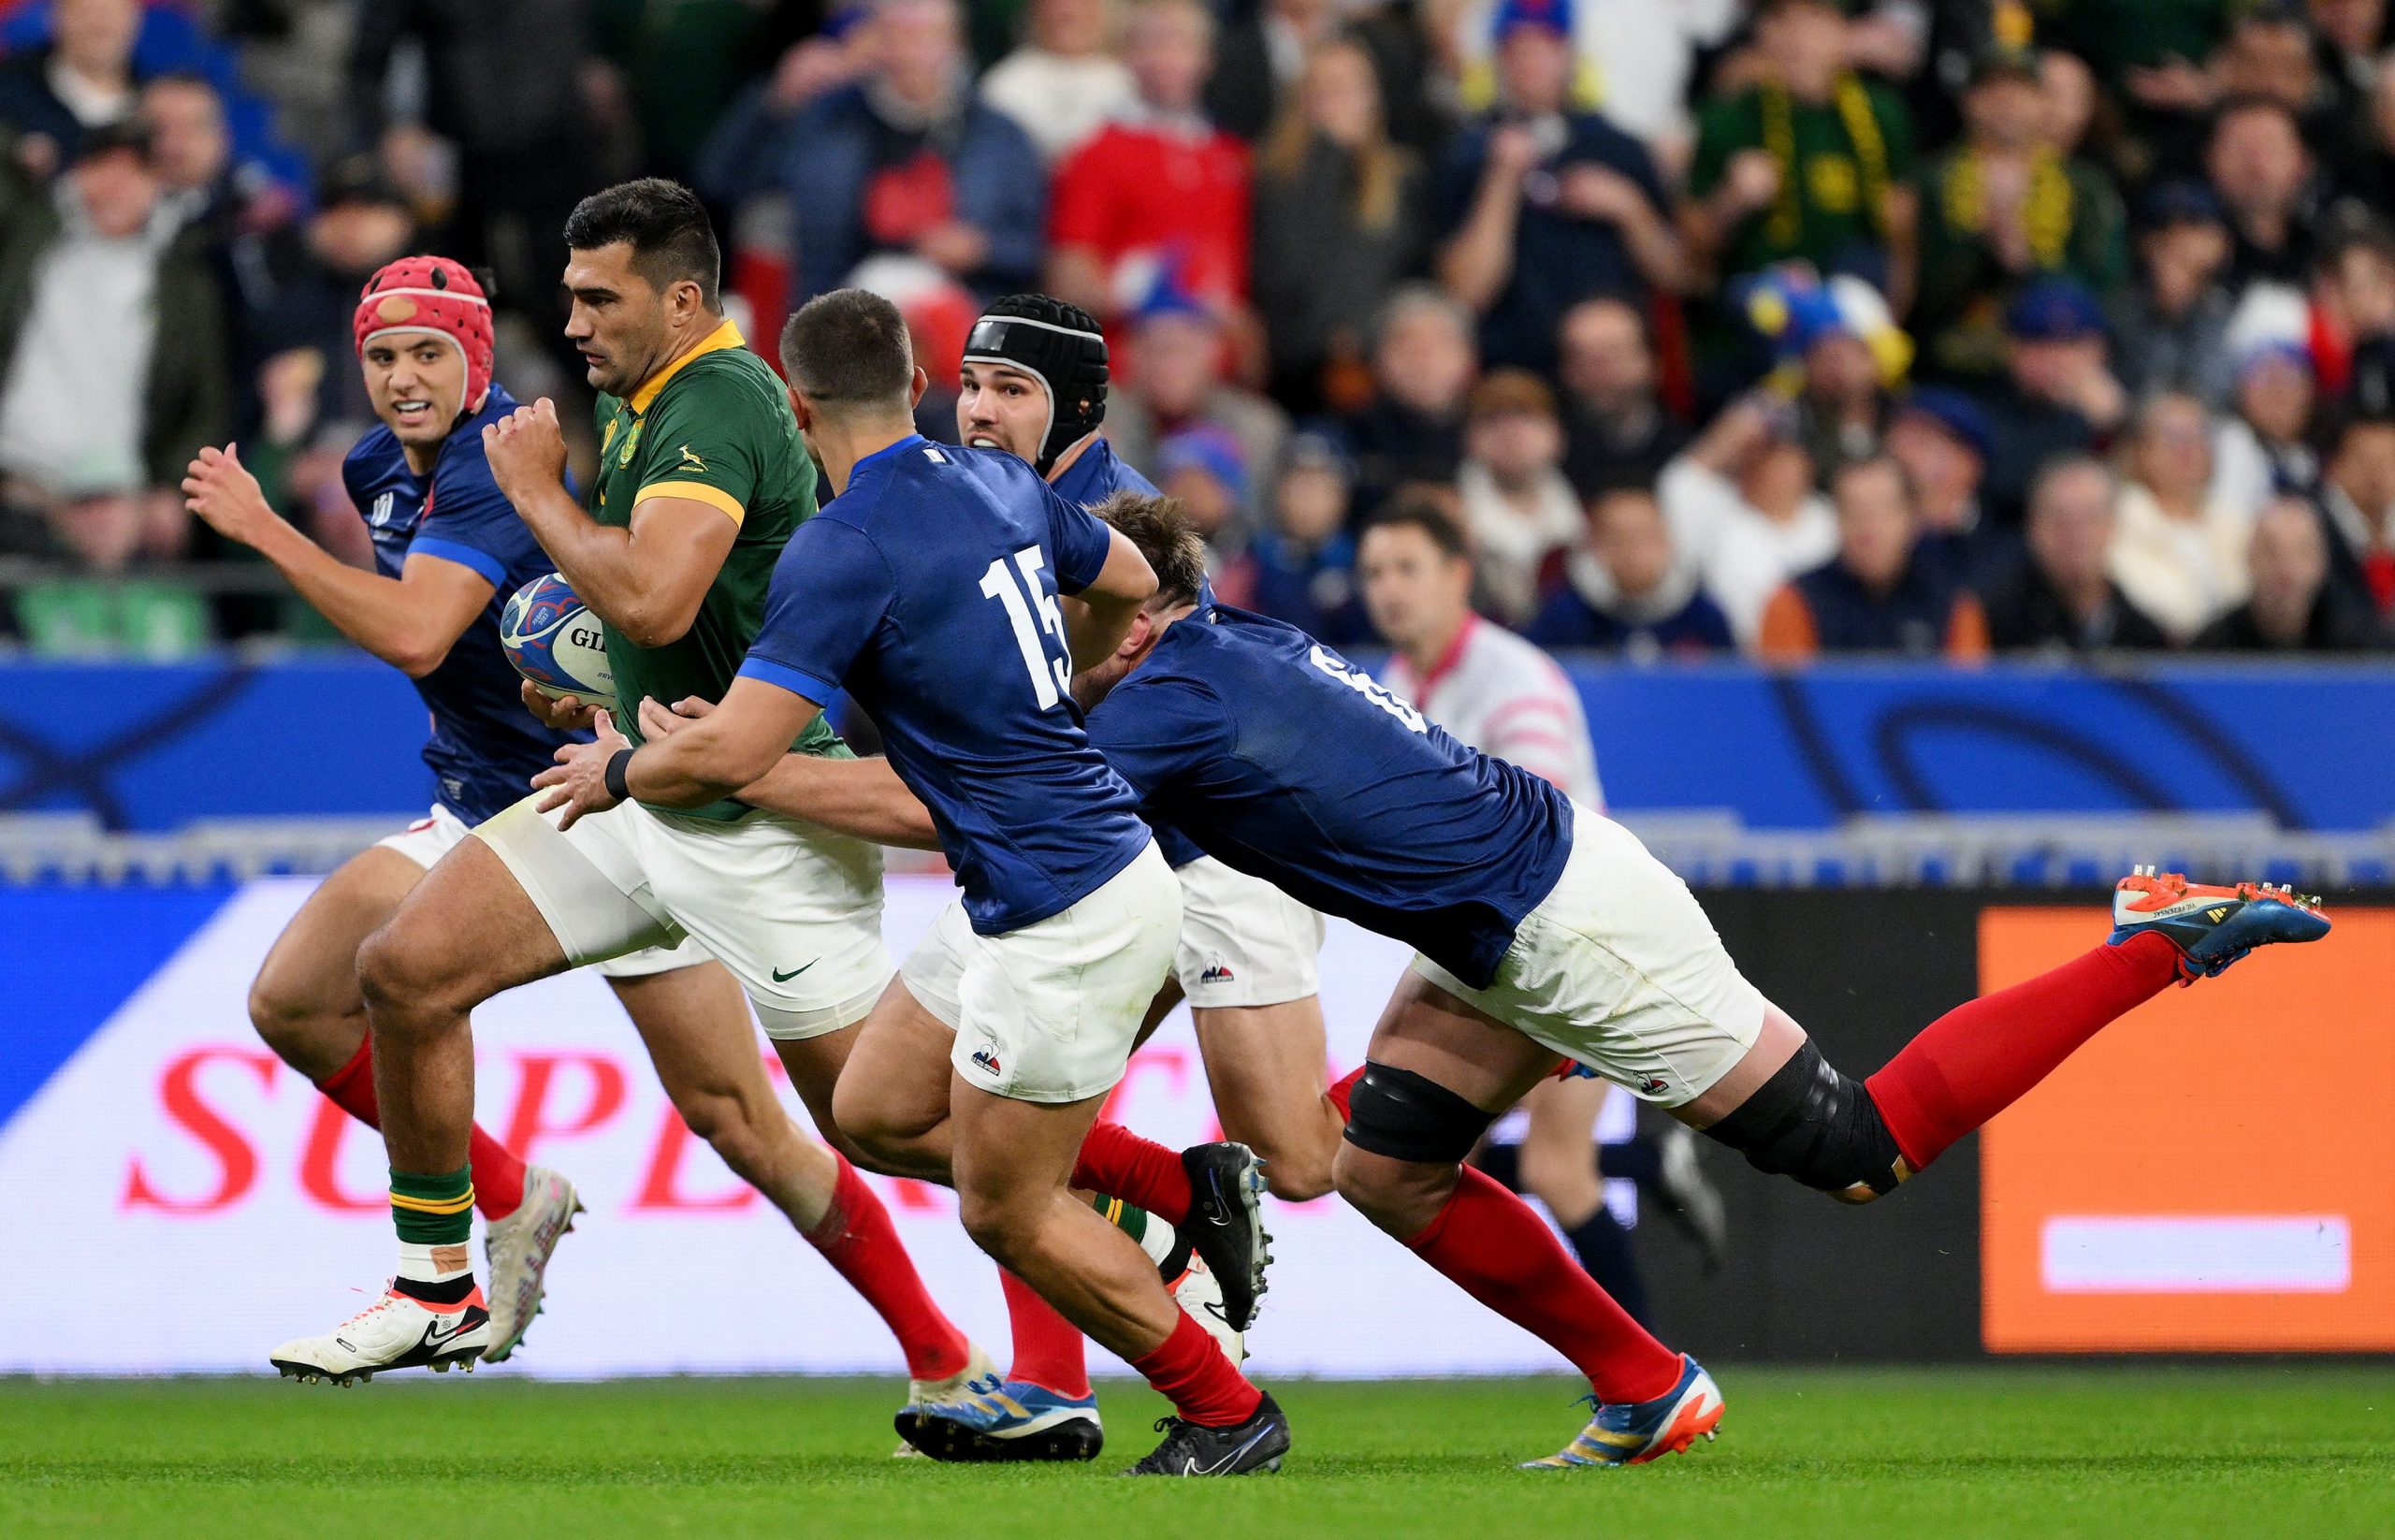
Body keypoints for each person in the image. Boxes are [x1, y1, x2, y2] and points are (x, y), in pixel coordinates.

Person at [704, 489, 2330, 1470]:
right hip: (1490, 930)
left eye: (1053, 611)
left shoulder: (1164, 704)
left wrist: (747, 765)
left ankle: (2145, 938)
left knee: (1858, 1149)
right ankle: (1643, 1383)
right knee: (1382, 1168)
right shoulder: (1224, 641)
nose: (1035, 640)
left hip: (1576, 928)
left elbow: (976, 805)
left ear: (1115, 612)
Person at [264, 186, 993, 1431]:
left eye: (428, 350)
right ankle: (457, 1252)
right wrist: (582, 676)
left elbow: (502, 618)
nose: (401, 376)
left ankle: (1027, 1283)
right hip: (572, 793)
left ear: (475, 358)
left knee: (815, 1122)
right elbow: (628, 619)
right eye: (380, 353)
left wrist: (261, 531)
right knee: (362, 979)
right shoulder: (474, 442)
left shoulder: (532, 452)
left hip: (693, 796)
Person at [540, 287, 1291, 1478]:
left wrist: (626, 762)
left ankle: (1223, 1407)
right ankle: (1175, 1186)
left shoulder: (841, 547)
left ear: (792, 406)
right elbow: (1135, 568)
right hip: (1036, 879)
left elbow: (737, 758)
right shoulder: (995, 483)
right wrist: (1076, 673)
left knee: (1006, 1207)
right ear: (922, 383)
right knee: (877, 1108)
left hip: (1071, 904)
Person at [696, 0, 1046, 306]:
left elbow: (1033, 250)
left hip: (959, 323)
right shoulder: (826, 120)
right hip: (833, 316)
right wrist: (774, 101)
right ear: (873, 42)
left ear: (956, 45)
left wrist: (979, 249)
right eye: (895, 35)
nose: (909, 53)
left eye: (925, 36)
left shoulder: (999, 136)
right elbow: (722, 181)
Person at [1436, 0, 1683, 375]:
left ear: (1570, 54)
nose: (1531, 61)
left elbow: (1678, 276)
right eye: (1517, 48)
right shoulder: (1468, 155)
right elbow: (1467, 293)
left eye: (1546, 46)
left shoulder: (1617, 148)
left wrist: (1629, 208)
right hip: (1513, 373)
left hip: (1611, 367)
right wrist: (1501, 181)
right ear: (1498, 59)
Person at [1913, 46, 2129, 382]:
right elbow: (1922, 291)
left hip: (2057, 356)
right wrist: (1981, 245)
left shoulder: (2083, 185)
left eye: (2021, 92)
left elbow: (2105, 281)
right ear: (1968, 102)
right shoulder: (1933, 182)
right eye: (1993, 91)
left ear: (2043, 104)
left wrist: (2025, 260)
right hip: (1954, 358)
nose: (2007, 104)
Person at [1684, 0, 1917, 302]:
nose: (1797, 36)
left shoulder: (1881, 115)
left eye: (1815, 19)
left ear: (1844, 32)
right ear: (1762, 33)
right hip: (1759, 304)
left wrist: (1892, 314)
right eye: (1780, 19)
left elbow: (1900, 240)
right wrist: (1731, 202)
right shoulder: (1730, 118)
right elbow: (1690, 255)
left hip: (1849, 304)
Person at [1250, 36, 1428, 414]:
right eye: (1323, 89)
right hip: (1299, 366)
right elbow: (1284, 272)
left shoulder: (1402, 178)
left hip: (1382, 359)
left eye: (1347, 88)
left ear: (1373, 98)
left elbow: (1404, 271)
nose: (1335, 101)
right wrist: (1328, 157)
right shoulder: (1275, 177)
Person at [1045, 0, 1251, 324]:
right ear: (1127, 56)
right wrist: (1148, 296)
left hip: (1217, 363)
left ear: (1207, 58)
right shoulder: (1099, 151)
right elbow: (1068, 277)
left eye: (1180, 42)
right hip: (1131, 356)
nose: (1166, 58)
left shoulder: (1231, 156)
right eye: (1151, 43)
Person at [1756, 455, 1991, 661]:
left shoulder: (1953, 604)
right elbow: (1783, 699)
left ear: (1912, 518)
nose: (1868, 527)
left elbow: (1968, 696)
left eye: (1883, 510)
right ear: (1836, 519)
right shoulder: (1795, 601)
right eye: (1854, 510)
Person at [1657, 394, 1837, 647]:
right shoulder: (1717, 511)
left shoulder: (1831, 516)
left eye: (1784, 455)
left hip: (1826, 665)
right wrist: (1731, 435)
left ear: (1806, 462)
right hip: (1740, 666)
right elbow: (1677, 485)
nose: (1773, 466)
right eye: (1761, 454)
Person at [1976, 454, 2171, 653]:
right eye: (2059, 517)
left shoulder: (2144, 634)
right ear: (2032, 527)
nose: (2075, 533)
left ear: (2113, 526)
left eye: (2090, 517)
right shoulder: (1990, 619)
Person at [2109, 390, 2252, 640]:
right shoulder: (2117, 522)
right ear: (2141, 450)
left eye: (2198, 436)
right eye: (2173, 437)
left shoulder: (2237, 527)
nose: (2186, 449)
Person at [1530, 487, 1736, 655]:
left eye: (1645, 537)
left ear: (1668, 542)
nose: (1632, 550)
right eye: (1617, 539)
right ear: (1594, 546)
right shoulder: (1565, 614)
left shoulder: (1703, 615)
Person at [1454, 369, 1583, 626]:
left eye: (1527, 417)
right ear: (1471, 438)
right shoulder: (1451, 518)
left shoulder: (1586, 520)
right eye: (1493, 420)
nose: (1512, 432)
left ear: (1556, 434)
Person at [2194, 492, 2388, 649]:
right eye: (2271, 552)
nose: (2285, 569)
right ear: (2249, 559)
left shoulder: (2361, 650)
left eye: (2300, 553)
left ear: (2321, 563)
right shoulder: (2211, 650)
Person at [1555, 297, 1691, 500]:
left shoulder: (1689, 449)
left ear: (1652, 361)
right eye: (1583, 357)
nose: (1598, 372)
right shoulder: (1552, 457)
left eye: (1613, 354)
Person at [979, 0, 1139, 166]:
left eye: (1080, 4)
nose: (1067, 11)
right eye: (1055, 4)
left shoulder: (1128, 81)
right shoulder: (1004, 84)